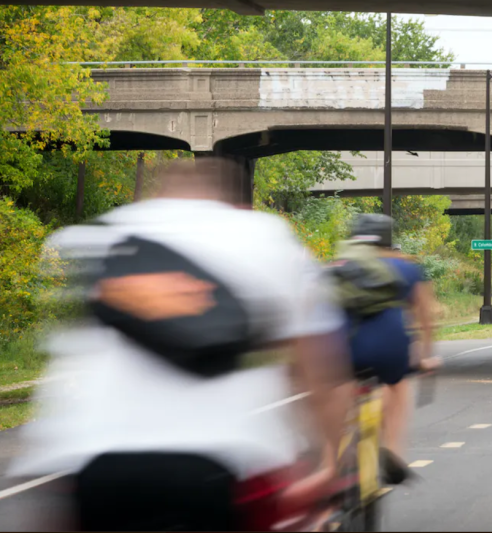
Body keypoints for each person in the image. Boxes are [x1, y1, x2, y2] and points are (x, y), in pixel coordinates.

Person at [10, 158, 353, 531]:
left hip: (95, 461)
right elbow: (315, 371)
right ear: (234, 202)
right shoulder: (266, 236)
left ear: (156, 195)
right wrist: (330, 461)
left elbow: (65, 361)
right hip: (223, 460)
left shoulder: (100, 236)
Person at [329, 213, 441, 486]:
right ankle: (392, 451)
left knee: (338, 390)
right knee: (398, 385)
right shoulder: (408, 268)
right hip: (389, 346)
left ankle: (329, 463)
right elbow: (426, 317)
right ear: (388, 239)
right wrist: (425, 356)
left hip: (342, 346)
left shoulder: (338, 265)